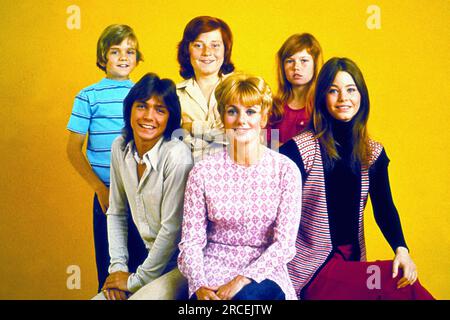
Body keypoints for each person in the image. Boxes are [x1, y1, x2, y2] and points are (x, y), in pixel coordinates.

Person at [280, 57, 434, 300]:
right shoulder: (299, 150)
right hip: (311, 268)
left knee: (402, 276)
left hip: (351, 262)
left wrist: (401, 250)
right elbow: (274, 212)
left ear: (362, 96)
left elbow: (384, 208)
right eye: (333, 91)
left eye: (351, 90)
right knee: (395, 282)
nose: (343, 98)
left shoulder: (372, 153)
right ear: (322, 98)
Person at [178, 73, 302, 300]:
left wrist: (241, 280)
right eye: (232, 111)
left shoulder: (286, 170)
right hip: (212, 269)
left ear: (263, 118)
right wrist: (198, 285)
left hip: (264, 272)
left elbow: (285, 245)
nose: (241, 120)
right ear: (223, 117)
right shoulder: (202, 172)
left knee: (243, 301)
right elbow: (191, 242)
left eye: (251, 112)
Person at [93, 73, 193, 300]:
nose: (149, 116)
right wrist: (117, 269)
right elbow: (117, 212)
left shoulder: (177, 155)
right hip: (145, 263)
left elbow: (171, 229)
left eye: (160, 110)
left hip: (181, 267)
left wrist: (134, 281)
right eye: (141, 106)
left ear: (170, 118)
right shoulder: (119, 147)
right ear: (130, 109)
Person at [66, 24, 145, 292]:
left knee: (140, 269)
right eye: (115, 51)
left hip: (141, 195)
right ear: (103, 58)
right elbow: (73, 150)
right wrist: (100, 188)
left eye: (130, 51)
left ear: (137, 57)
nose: (124, 57)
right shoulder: (88, 96)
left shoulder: (144, 95)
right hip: (106, 194)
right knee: (111, 270)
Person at [176, 16, 235, 160]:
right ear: (187, 49)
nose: (207, 52)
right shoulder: (174, 94)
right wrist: (219, 132)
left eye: (215, 45)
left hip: (233, 175)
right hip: (186, 175)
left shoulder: (239, 89)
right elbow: (172, 143)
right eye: (198, 45)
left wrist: (191, 128)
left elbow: (239, 136)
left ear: (225, 50)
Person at [266, 33, 323, 148]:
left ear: (315, 65)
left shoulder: (321, 106)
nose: (296, 67)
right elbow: (267, 147)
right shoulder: (274, 106)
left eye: (304, 60)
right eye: (290, 61)